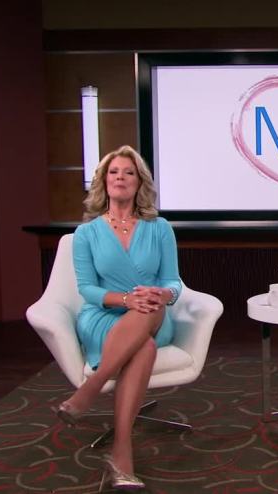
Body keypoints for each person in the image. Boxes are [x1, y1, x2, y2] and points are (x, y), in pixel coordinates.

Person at [54, 145, 182, 490]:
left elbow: (173, 280)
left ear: (140, 182)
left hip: (153, 314)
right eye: (114, 172)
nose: (120, 178)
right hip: (103, 317)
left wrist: (164, 294)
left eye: (128, 172)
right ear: (103, 181)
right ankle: (122, 452)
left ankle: (91, 388)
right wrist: (125, 299)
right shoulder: (86, 234)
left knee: (151, 305)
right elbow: (87, 289)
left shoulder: (159, 228)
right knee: (145, 347)